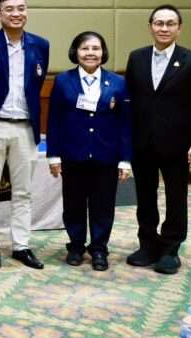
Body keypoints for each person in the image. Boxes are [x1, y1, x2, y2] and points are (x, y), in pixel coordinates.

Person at [125, 5, 191, 274]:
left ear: (179, 29)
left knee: (176, 197)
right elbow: (129, 101)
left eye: (170, 23)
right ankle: (148, 244)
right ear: (150, 27)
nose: (164, 28)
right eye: (159, 23)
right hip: (142, 142)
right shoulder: (136, 57)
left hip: (178, 144)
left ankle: (171, 248)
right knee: (145, 195)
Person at [0, 0, 49, 270]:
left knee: (23, 191)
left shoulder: (41, 45)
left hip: (25, 127)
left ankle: (21, 246)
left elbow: (37, 84)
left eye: (21, 8)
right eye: (9, 9)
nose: (16, 13)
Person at [46, 31, 132, 271]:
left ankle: (99, 249)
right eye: (85, 48)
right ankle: (75, 246)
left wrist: (125, 159)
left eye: (96, 48)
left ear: (103, 52)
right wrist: (53, 155)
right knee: (73, 203)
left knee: (103, 205)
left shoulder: (118, 82)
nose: (90, 53)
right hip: (72, 154)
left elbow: (125, 124)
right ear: (76, 52)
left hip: (106, 155)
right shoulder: (63, 80)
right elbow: (54, 120)